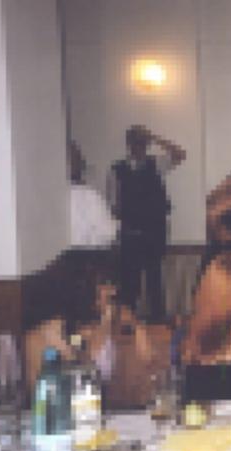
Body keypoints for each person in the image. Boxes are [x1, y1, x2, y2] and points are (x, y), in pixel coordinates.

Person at [107, 125, 185, 323]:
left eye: (143, 142)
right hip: (130, 232)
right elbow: (113, 206)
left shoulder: (156, 164)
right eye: (136, 142)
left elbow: (180, 154)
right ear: (129, 144)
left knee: (155, 281)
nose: (140, 147)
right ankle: (127, 322)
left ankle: (158, 321)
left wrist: (155, 137)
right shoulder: (116, 170)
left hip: (154, 232)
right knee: (129, 283)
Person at [64, 142, 118, 331]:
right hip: (86, 263)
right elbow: (109, 233)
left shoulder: (48, 195)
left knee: (70, 318)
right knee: (84, 318)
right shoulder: (88, 195)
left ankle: (75, 343)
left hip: (62, 266)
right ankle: (80, 345)